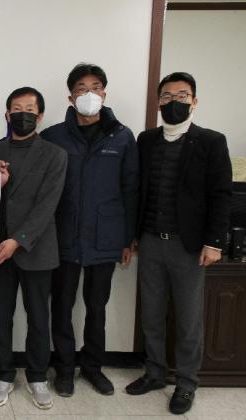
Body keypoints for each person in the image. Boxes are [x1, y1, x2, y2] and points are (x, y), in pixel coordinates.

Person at [125, 72, 232, 415]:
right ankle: (155, 373)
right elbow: (138, 190)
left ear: (194, 101)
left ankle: (186, 383)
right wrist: (132, 235)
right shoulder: (146, 140)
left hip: (189, 246)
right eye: (167, 97)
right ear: (158, 102)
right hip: (150, 241)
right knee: (151, 313)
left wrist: (215, 242)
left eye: (182, 96)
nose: (174, 102)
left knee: (188, 319)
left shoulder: (211, 141)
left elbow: (221, 195)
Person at [40, 63, 139, 397]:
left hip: (105, 236)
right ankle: (65, 368)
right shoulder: (54, 136)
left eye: (95, 88)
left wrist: (127, 238)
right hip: (63, 236)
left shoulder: (122, 136)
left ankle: (93, 367)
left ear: (104, 94)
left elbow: (131, 189)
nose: (89, 94)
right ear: (71, 97)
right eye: (81, 89)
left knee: (97, 308)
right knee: (62, 306)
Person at [0, 87, 67, 409]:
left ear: (40, 116)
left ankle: (37, 376)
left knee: (38, 317)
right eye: (16, 109)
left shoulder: (55, 155)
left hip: (36, 249)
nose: (23, 114)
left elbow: (47, 205)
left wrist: (17, 241)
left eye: (29, 109)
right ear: (7, 115)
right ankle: (3, 374)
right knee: (0, 315)